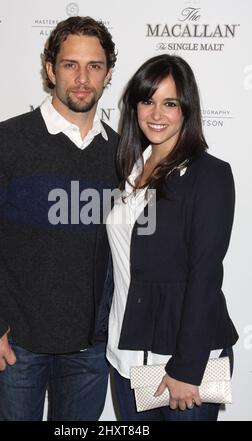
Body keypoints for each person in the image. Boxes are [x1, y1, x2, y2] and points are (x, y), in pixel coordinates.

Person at [0, 16, 118, 421]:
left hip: (91, 352)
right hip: (15, 347)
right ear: (50, 69)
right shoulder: (4, 142)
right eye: (69, 65)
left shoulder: (122, 153)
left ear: (108, 73)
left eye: (94, 66)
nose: (82, 78)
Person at [106, 54, 238, 421]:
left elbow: (205, 274)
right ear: (135, 106)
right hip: (125, 355)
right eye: (148, 101)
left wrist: (187, 367)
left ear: (187, 109)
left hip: (180, 364)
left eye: (170, 103)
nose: (156, 113)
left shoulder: (209, 176)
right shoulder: (129, 170)